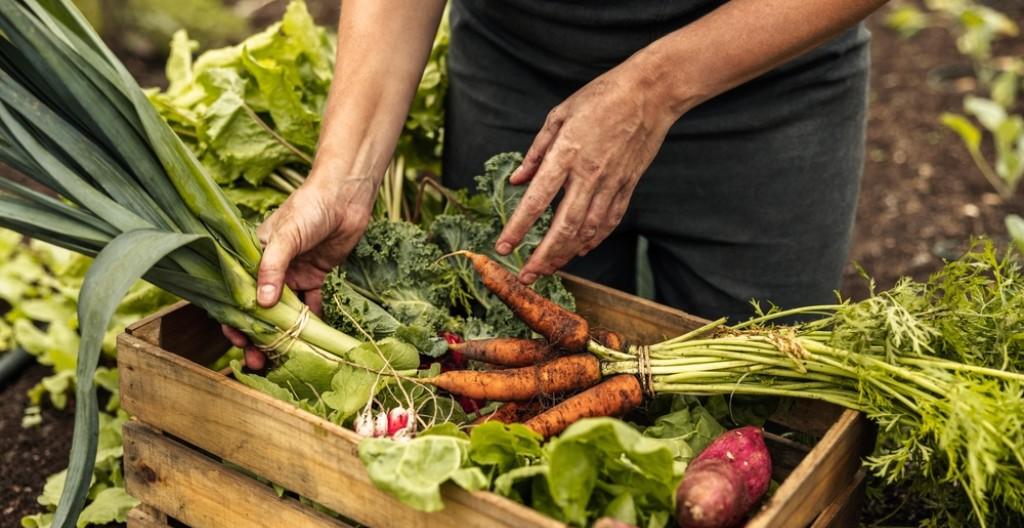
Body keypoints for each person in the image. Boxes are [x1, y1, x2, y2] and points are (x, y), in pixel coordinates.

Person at [224, 0, 889, 369]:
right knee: (510, 373)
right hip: (520, 76)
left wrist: (651, 90)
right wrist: (345, 175)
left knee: (760, 403)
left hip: (767, 83)